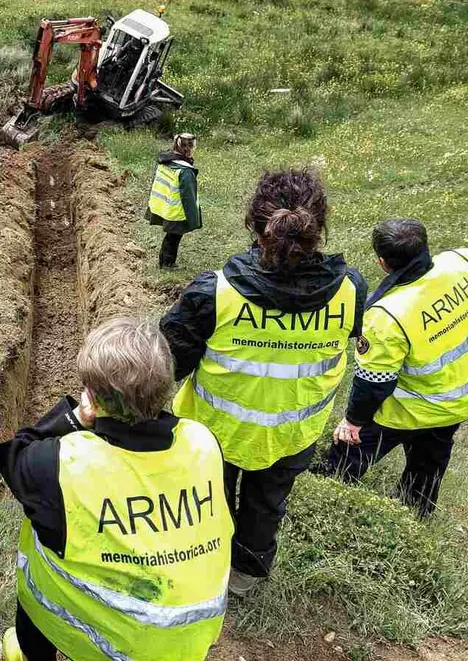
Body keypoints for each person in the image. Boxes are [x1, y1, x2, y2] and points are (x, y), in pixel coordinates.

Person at [161, 170, 367, 597]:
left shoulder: (213, 293)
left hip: (211, 431)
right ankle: (247, 575)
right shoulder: (350, 289)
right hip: (292, 434)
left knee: (206, 501)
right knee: (267, 503)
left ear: (254, 225)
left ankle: (202, 567)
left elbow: (169, 362)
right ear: (319, 228)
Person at [0, 318, 232, 661]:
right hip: (192, 637)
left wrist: (75, 417)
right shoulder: (202, 443)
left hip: (110, 642)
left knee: (38, 552)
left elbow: (13, 453)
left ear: (92, 395)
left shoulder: (61, 464)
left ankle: (32, 651)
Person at [326, 219, 468, 517]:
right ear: (424, 245)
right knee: (429, 462)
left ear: (383, 263)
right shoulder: (467, 260)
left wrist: (353, 422)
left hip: (408, 410)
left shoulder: (387, 316)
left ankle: (329, 500)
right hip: (460, 399)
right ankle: (417, 510)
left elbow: (374, 383)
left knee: (348, 456)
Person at [146, 133, 201, 269]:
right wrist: (194, 219)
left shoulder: (165, 162)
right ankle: (167, 263)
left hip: (163, 205)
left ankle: (164, 261)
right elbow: (189, 198)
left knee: (171, 236)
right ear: (189, 148)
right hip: (176, 211)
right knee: (173, 237)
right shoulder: (185, 171)